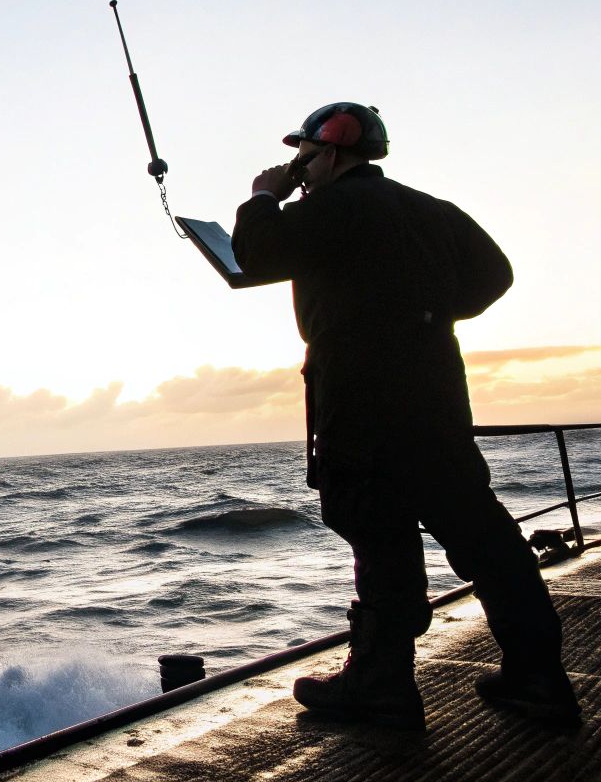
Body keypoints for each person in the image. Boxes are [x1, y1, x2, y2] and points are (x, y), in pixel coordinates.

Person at [231, 102, 579, 730]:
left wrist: (262, 196)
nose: (297, 169)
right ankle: (540, 677)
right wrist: (423, 311)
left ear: (331, 152)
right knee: (485, 537)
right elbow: (494, 275)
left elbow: (254, 255)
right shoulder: (432, 211)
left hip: (359, 398)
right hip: (436, 392)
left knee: (378, 534)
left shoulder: (328, 209)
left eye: (304, 157)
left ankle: (381, 684)